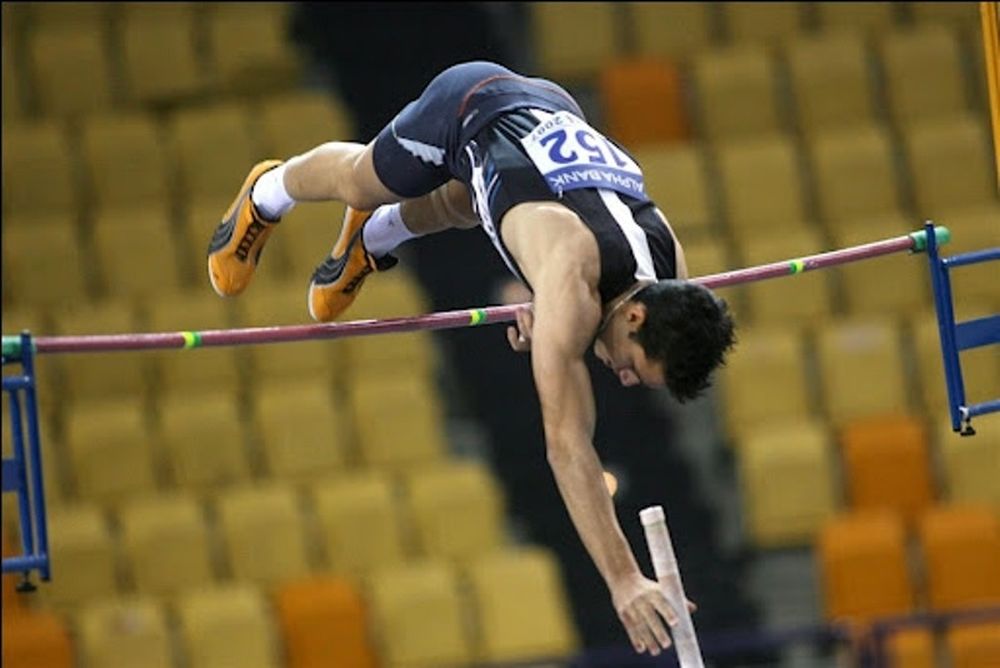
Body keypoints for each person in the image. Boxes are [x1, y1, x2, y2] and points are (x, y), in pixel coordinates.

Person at [206, 60, 736, 657]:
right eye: (636, 367)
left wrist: (544, 299)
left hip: (545, 130)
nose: (627, 378)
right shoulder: (573, 276)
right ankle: (268, 192)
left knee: (462, 202)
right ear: (634, 316)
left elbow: (591, 270)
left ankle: (373, 238)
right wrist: (622, 579)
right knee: (364, 179)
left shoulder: (672, 278)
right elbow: (567, 444)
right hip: (472, 105)